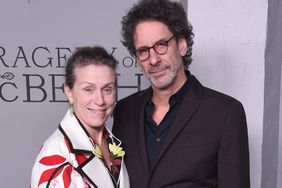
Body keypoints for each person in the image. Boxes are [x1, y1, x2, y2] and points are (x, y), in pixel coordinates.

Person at [112, 0, 250, 187]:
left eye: (161, 45)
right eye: (143, 51)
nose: (153, 59)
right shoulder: (124, 111)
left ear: (182, 45)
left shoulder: (225, 113)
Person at [31, 46, 130, 188]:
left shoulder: (113, 142)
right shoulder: (56, 154)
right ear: (69, 92)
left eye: (107, 89)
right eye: (88, 89)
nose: (100, 100)